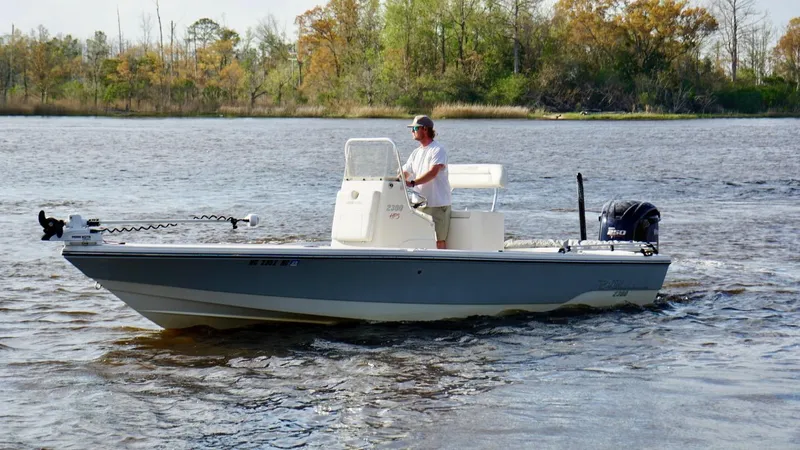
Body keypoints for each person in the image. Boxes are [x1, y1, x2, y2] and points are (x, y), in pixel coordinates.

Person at [402, 115, 452, 249]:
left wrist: (412, 183)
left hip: (437, 204)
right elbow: (404, 172)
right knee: (419, 239)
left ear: (425, 129)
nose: (412, 131)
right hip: (419, 205)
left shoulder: (438, 150)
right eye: (412, 128)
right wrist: (393, 179)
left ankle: (441, 267)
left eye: (415, 128)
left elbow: (433, 173)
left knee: (438, 241)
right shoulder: (415, 153)